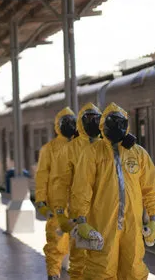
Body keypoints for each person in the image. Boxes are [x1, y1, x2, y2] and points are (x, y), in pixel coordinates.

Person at [69, 103, 155, 280]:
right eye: (112, 123)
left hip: (132, 226)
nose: (117, 128)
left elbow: (150, 189)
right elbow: (82, 188)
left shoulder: (138, 154)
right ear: (103, 126)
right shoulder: (92, 153)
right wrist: (81, 220)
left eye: (121, 123)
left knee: (134, 270)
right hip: (102, 225)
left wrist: (154, 219)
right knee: (101, 271)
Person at [50, 103, 102, 280]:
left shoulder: (107, 147)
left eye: (96, 119)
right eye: (87, 119)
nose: (92, 123)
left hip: (107, 214)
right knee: (80, 263)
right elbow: (59, 183)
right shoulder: (69, 150)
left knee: (106, 263)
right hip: (81, 216)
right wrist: (60, 212)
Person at [34, 107, 76, 280]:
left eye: (72, 122)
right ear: (58, 126)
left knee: (79, 245)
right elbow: (42, 175)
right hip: (57, 204)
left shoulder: (81, 146)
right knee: (55, 241)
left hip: (78, 203)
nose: (69, 125)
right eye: (65, 122)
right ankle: (54, 274)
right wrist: (41, 201)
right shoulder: (49, 149)